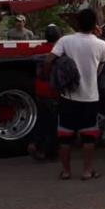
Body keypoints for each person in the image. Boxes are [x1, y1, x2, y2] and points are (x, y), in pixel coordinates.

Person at [44, 9, 105, 180]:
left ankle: (66, 171)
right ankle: (87, 171)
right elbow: (100, 67)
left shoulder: (65, 40)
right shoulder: (101, 44)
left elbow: (49, 60)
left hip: (68, 97)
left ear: (77, 23)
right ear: (95, 25)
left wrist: (52, 79)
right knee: (89, 137)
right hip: (91, 97)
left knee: (65, 137)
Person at [28, 24, 62, 160]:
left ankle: (35, 143)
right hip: (53, 91)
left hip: (40, 89)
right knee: (53, 123)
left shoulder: (38, 49)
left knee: (41, 119)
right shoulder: (59, 50)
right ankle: (49, 152)